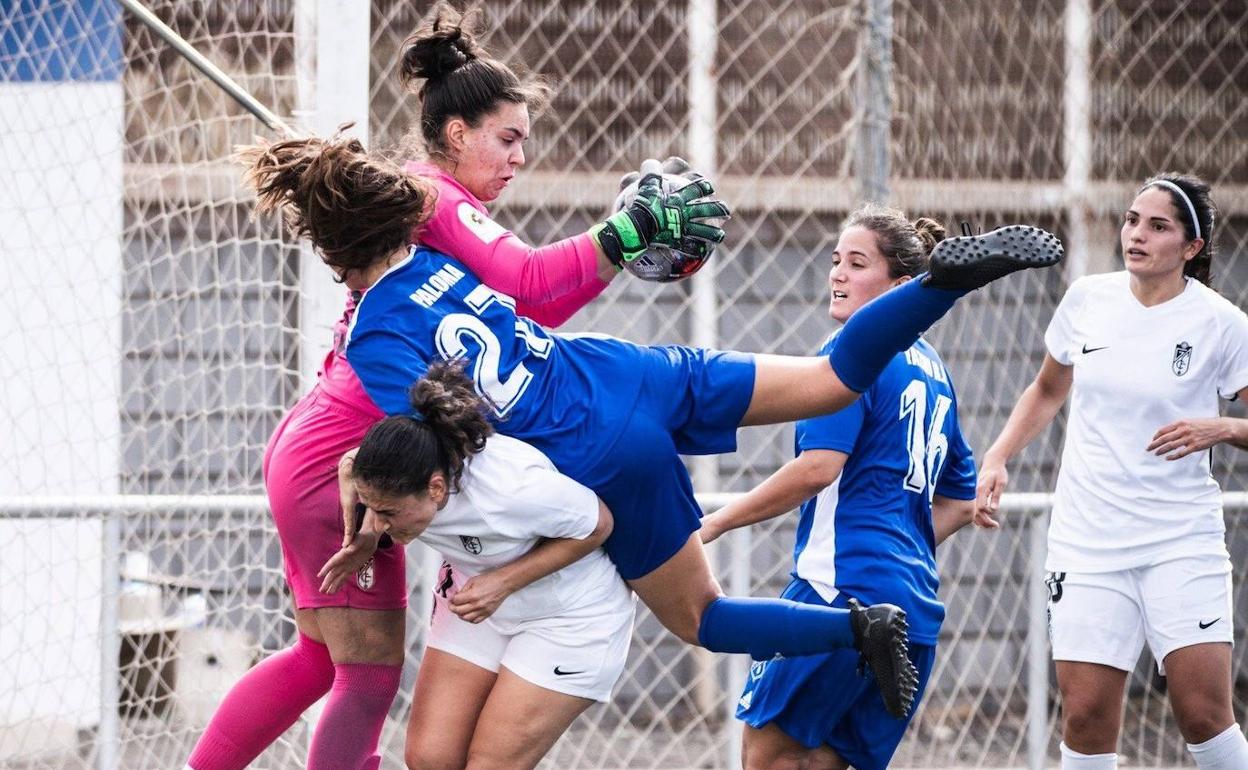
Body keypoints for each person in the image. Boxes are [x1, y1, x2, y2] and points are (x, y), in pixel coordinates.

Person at [258, 130, 1059, 721]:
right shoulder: (443, 262)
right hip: (624, 369)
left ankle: (857, 627)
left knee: (703, 619)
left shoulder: (373, 338)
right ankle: (941, 286)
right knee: (824, 381)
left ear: (331, 253)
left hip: (597, 452)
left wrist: (370, 531)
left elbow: (430, 446)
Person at [699, 205, 994, 770]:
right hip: (913, 606)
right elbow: (961, 499)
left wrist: (715, 521)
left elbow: (818, 468)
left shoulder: (850, 357)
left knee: (769, 755)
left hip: (840, 593)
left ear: (903, 288)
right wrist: (900, 544)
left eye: (857, 263)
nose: (837, 273)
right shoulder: (935, 371)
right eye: (836, 260)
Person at [976, 174, 1248, 770]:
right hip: (1088, 542)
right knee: (1086, 718)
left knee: (1203, 715)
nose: (1137, 235)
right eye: (1131, 220)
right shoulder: (1088, 299)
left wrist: (1222, 428)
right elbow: (1047, 391)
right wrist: (997, 456)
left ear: (1191, 247)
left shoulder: (1221, 322)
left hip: (1181, 540)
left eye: (1158, 226)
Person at [329, 361, 636, 770]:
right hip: (478, 603)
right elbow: (351, 464)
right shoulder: (394, 475)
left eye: (388, 513)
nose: (380, 522)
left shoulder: (511, 492)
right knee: (429, 759)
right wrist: (364, 537)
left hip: (571, 617)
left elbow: (598, 524)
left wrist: (503, 583)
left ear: (436, 488)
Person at [398, 4, 724, 327]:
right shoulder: (435, 196)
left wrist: (621, 250)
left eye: (521, 143)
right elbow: (531, 276)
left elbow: (536, 310)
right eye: (507, 139)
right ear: (458, 135)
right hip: (369, 381)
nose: (519, 157)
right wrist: (629, 228)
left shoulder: (440, 197)